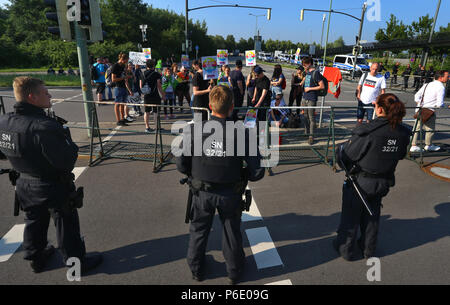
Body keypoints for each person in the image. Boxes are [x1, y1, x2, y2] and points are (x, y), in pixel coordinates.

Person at [0, 77, 102, 273]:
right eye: (45, 93)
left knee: (34, 220)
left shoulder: (4, 121)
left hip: (24, 183)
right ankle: (75, 264)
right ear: (32, 97)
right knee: (65, 222)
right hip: (52, 185)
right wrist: (66, 138)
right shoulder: (44, 126)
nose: (50, 95)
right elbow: (66, 160)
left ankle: (36, 258)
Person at [176, 85, 265, 284]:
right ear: (232, 107)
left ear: (209, 106)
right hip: (230, 193)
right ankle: (234, 271)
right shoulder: (241, 133)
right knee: (231, 231)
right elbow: (258, 171)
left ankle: (196, 269)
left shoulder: (194, 130)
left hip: (201, 191)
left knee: (198, 230)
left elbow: (181, 165)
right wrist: (242, 172)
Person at [334, 93, 411, 261]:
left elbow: (348, 155)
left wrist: (339, 152)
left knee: (351, 217)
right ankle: (368, 249)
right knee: (372, 216)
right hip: (384, 181)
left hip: (360, 181)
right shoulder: (403, 132)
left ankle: (345, 249)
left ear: (380, 109)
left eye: (375, 105)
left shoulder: (369, 131)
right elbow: (401, 155)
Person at [410, 70, 448, 153]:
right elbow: (439, 104)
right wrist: (446, 106)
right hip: (429, 111)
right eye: (447, 76)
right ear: (441, 78)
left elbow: (417, 96)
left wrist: (420, 103)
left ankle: (413, 145)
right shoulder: (441, 87)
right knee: (430, 129)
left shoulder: (427, 84)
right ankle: (428, 145)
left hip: (420, 109)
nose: (448, 78)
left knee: (416, 128)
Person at [301, 57, 325, 145]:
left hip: (311, 98)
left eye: (305, 65)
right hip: (305, 97)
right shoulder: (307, 73)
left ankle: (311, 136)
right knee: (305, 116)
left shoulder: (316, 73)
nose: (303, 66)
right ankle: (306, 132)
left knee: (311, 118)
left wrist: (310, 88)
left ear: (309, 64)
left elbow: (322, 86)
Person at [141, 59, 165, 133]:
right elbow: (159, 86)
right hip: (155, 95)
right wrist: (163, 95)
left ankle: (147, 127)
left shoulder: (142, 73)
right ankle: (157, 127)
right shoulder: (156, 74)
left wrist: (143, 92)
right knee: (156, 111)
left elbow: (140, 85)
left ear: (146, 65)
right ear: (153, 65)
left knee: (147, 111)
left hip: (146, 95)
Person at [111, 52, 132, 126]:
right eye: (126, 60)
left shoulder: (122, 65)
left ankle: (122, 119)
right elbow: (113, 79)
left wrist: (127, 74)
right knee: (117, 103)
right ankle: (118, 120)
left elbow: (124, 74)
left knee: (123, 103)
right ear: (122, 59)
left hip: (123, 86)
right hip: (118, 87)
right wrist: (124, 77)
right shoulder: (115, 66)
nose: (126, 62)